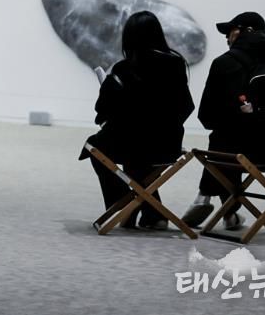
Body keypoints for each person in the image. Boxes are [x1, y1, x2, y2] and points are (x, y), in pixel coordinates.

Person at [79, 11, 195, 230]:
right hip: (167, 144)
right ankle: (153, 214)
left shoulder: (124, 68)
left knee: (95, 147)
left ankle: (126, 204)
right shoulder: (176, 64)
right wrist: (167, 125)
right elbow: (187, 106)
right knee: (138, 159)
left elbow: (103, 107)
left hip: (132, 143)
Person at [181, 11, 265, 230]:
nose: (226, 37)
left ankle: (205, 197)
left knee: (223, 139)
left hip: (235, 153)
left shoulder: (224, 63)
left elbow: (206, 116)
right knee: (230, 137)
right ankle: (228, 213)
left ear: (247, 31)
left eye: (230, 31)